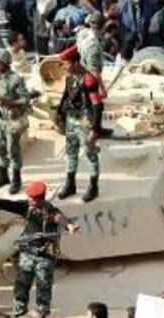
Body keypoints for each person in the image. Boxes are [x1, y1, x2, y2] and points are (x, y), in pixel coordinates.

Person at [0, 181, 77, 316]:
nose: (29, 200)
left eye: (32, 199)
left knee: (43, 289)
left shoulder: (50, 212)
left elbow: (60, 218)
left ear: (40, 199)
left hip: (44, 257)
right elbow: (9, 205)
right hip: (27, 254)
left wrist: (69, 226)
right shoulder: (27, 207)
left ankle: (42, 317)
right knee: (21, 286)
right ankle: (19, 314)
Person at [55, 45, 102, 203]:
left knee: (90, 154)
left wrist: (95, 129)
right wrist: (59, 113)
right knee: (71, 152)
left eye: (66, 63)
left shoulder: (88, 79)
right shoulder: (70, 77)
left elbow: (97, 105)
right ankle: (70, 184)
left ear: (75, 62)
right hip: (71, 119)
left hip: (84, 120)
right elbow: (66, 95)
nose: (64, 67)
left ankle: (93, 186)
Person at [0, 48, 30, 194]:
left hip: (11, 119)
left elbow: (25, 99)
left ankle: (16, 179)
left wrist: (10, 103)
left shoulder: (15, 79)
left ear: (4, 63)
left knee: (13, 150)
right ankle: (3, 176)